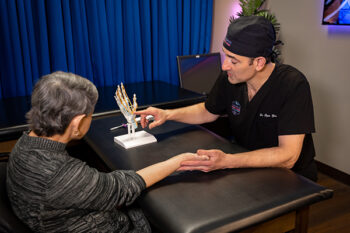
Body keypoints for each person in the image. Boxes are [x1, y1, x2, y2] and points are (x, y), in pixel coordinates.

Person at [6, 71, 208, 233]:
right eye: (90, 116)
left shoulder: (23, 145)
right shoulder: (60, 174)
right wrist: (178, 160)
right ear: (76, 123)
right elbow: (120, 188)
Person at [136, 16, 318, 181]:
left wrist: (227, 161)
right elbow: (207, 111)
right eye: (225, 56)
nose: (224, 66)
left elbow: (288, 156)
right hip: (246, 164)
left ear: (259, 62)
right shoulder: (231, 78)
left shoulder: (292, 85)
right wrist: (167, 115)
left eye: (233, 60)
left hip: (290, 176)